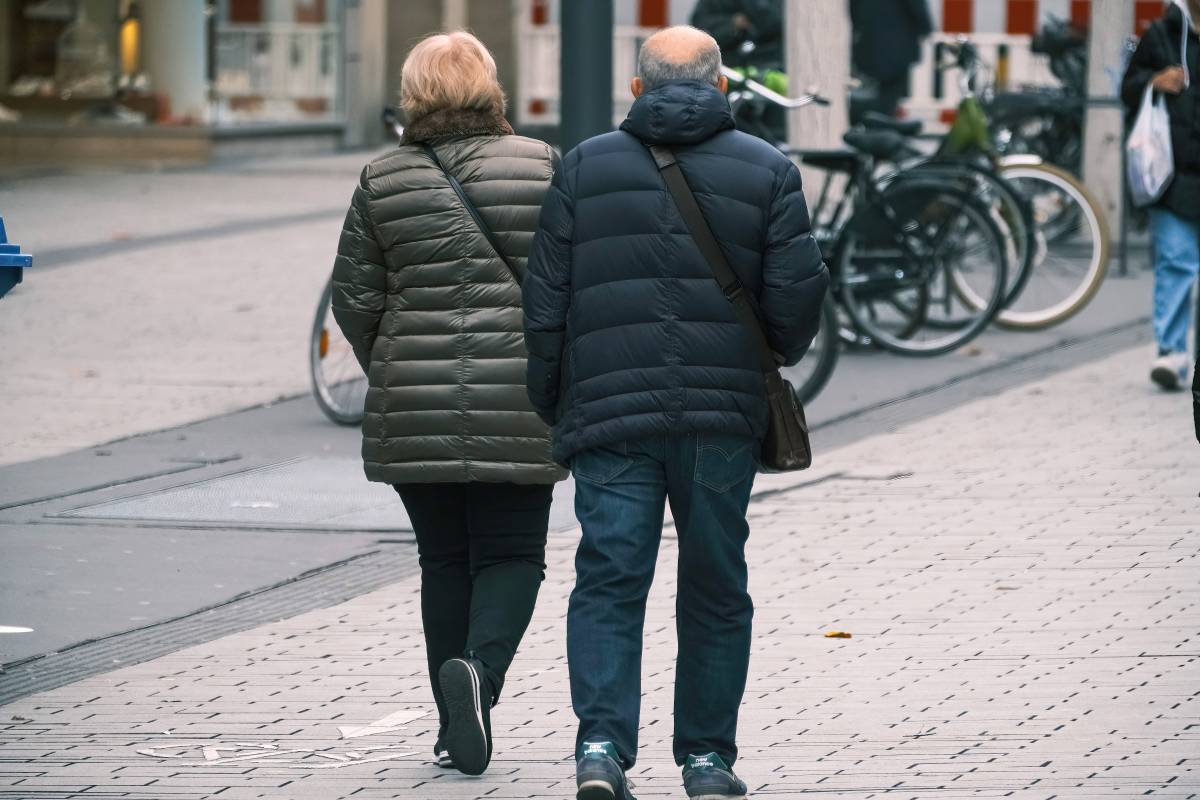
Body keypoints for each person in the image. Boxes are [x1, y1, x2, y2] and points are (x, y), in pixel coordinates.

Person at [523, 25, 828, 800]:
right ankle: (706, 761)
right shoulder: (769, 169)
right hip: (721, 414)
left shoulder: (584, 166)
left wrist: (555, 397)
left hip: (610, 411)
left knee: (609, 577)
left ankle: (599, 746)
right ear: (722, 86)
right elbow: (799, 295)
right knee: (717, 583)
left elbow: (545, 302)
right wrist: (768, 360)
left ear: (636, 88)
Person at [330, 30, 565, 777]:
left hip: (413, 403)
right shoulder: (541, 166)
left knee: (444, 560)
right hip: (521, 400)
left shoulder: (381, 178)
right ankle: (481, 681)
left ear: (414, 92)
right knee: (514, 555)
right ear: (490, 87)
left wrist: (393, 364)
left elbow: (355, 298)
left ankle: (448, 725)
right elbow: (569, 283)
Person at [1121, 0, 1200, 391]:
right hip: (1171, 173)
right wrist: (1154, 81)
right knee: (1175, 263)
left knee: (1178, 263)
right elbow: (1127, 88)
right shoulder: (1161, 33)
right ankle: (1172, 352)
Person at [850, 0, 935, 117]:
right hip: (898, 42)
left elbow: (854, 8)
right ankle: (881, 125)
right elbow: (917, 7)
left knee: (870, 92)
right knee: (888, 98)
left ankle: (870, 124)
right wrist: (926, 28)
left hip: (869, 40)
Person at [690, 0, 783, 69]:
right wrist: (733, 24)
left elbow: (775, 22)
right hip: (727, 66)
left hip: (770, 63)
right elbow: (700, 28)